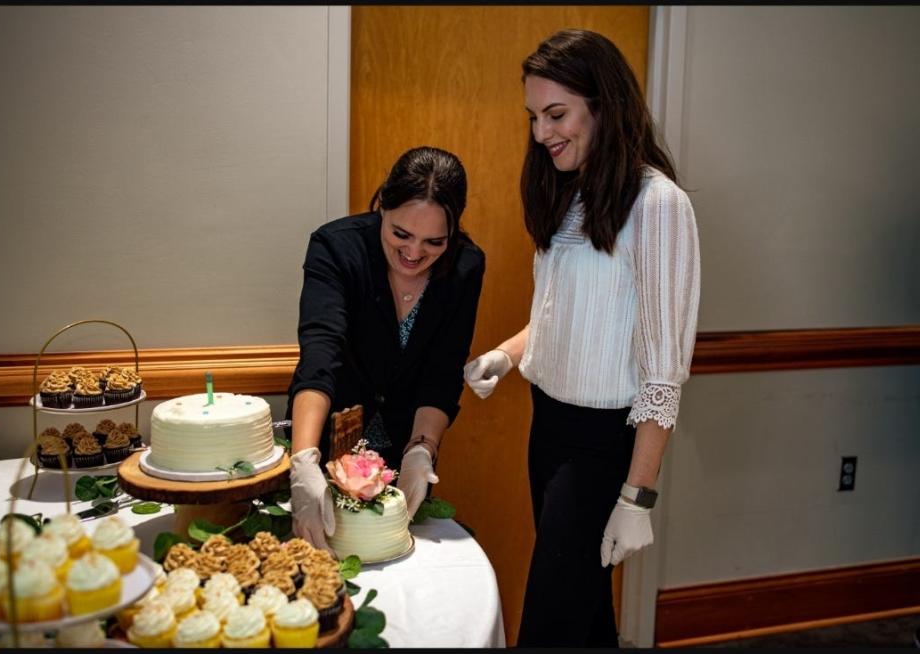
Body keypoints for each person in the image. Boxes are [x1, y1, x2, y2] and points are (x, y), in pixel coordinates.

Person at [463, 30, 700, 647]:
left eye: (557, 114)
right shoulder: (569, 198)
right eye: (535, 117)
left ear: (604, 104)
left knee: (549, 624)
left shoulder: (658, 205)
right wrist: (506, 356)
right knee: (585, 617)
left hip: (602, 446)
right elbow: (558, 316)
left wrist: (638, 496)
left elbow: (662, 371)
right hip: (550, 428)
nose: (542, 133)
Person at [286, 145, 485, 552]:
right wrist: (302, 459)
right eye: (401, 234)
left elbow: (442, 373)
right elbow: (321, 355)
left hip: (407, 443)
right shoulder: (336, 248)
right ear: (382, 206)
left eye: (434, 241)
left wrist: (422, 451)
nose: (414, 253)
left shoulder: (465, 267)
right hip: (323, 438)